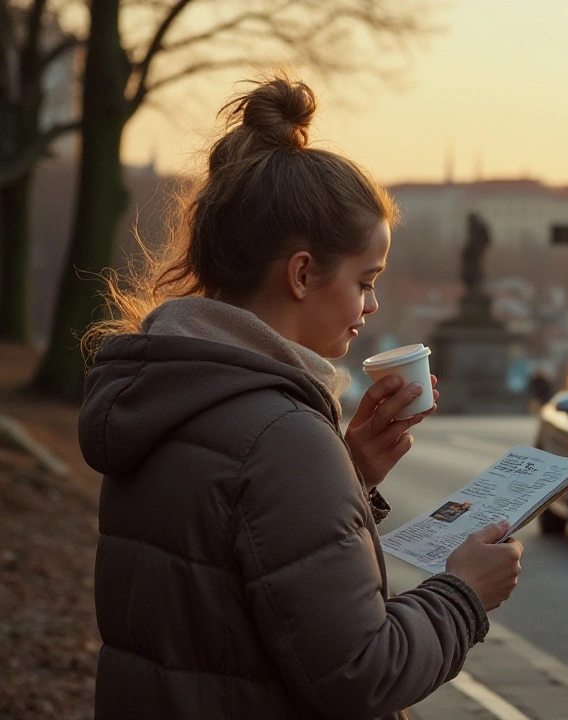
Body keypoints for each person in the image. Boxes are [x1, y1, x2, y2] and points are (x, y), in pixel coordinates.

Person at [78, 76, 521, 720]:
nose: (371, 306)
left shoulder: (166, 390)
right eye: (366, 281)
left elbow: (225, 588)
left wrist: (352, 473)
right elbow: (360, 675)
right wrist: (463, 595)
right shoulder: (282, 438)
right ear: (303, 273)